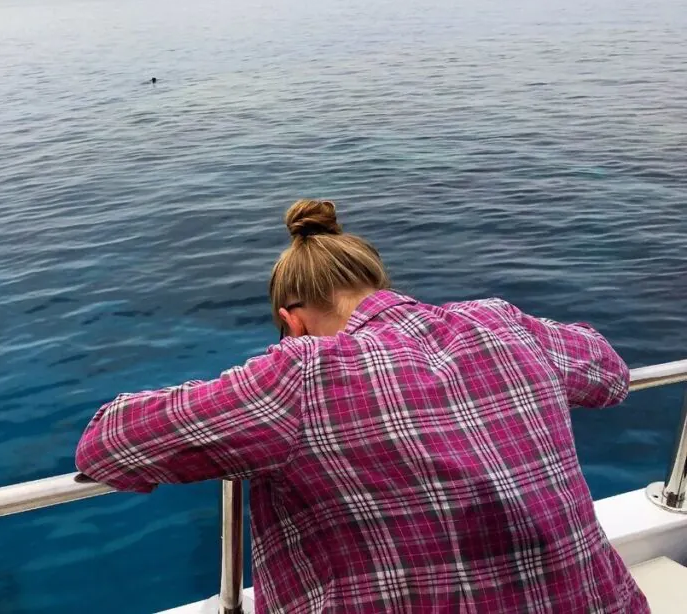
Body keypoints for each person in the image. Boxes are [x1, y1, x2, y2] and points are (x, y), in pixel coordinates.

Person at [76, 199, 647, 613]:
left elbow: (109, 444)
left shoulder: (299, 372)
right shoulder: (501, 321)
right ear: (376, 283)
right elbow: (610, 374)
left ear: (292, 322)